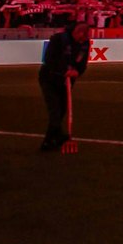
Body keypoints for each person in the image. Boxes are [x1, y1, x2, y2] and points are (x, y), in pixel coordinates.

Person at [37, 17, 92, 151]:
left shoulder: (85, 44)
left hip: (67, 81)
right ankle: (50, 140)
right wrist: (64, 70)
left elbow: (82, 63)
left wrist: (77, 72)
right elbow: (49, 59)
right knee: (55, 110)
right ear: (77, 32)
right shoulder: (59, 39)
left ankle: (55, 138)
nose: (82, 41)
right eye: (81, 37)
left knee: (62, 110)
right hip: (49, 78)